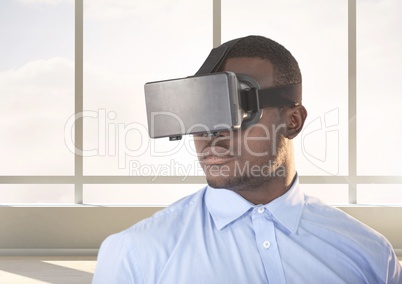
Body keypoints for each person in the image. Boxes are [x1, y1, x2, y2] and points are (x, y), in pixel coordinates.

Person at [93, 36, 401, 283]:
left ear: (293, 120)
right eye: (202, 112)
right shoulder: (136, 254)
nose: (210, 136)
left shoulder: (369, 254)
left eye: (237, 109)